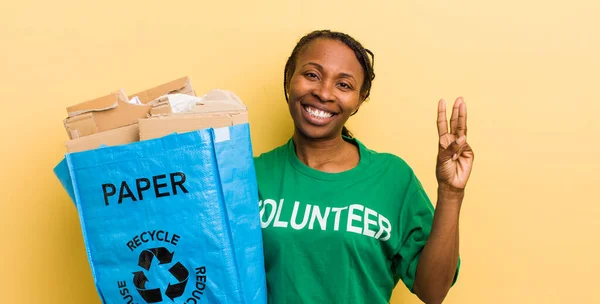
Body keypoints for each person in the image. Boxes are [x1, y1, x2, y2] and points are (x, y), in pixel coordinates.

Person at [253, 29, 474, 304]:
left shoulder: (392, 177)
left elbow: (433, 292)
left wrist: (451, 193)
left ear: (360, 99)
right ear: (289, 79)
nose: (323, 93)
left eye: (344, 85)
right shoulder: (250, 176)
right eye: (312, 75)